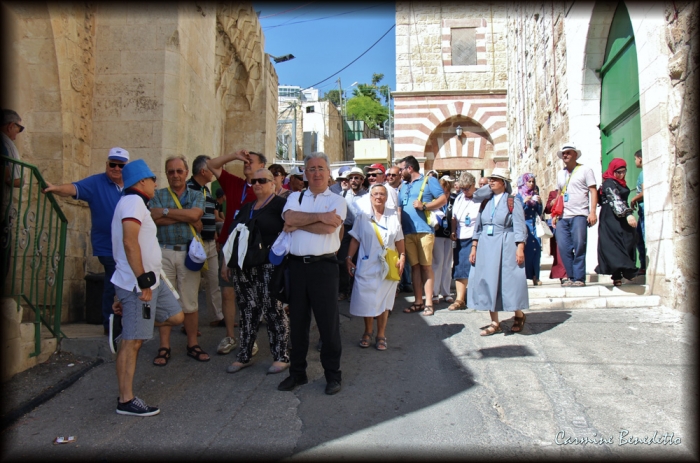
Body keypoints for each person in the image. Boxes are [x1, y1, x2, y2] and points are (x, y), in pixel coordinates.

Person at [110, 160, 184, 416]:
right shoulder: (131, 202)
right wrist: (142, 281)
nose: (156, 183)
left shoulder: (138, 203)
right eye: (153, 179)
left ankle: (127, 325)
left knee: (176, 316)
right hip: (139, 284)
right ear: (142, 181)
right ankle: (126, 400)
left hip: (152, 280)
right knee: (134, 342)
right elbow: (130, 243)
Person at [277, 152, 346, 395]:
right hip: (296, 267)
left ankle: (333, 375)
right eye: (311, 168)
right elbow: (289, 217)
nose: (316, 172)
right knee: (297, 324)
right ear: (305, 174)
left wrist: (298, 223)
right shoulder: (294, 197)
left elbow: (330, 229)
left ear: (329, 173)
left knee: (328, 325)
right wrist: (318, 217)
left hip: (324, 268)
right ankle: (297, 374)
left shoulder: (338, 201)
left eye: (320, 168)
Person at [42, 147, 129, 334]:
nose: (116, 168)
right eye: (112, 164)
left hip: (129, 245)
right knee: (114, 281)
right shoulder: (96, 182)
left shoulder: (132, 185)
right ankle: (111, 325)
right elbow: (74, 188)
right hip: (108, 246)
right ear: (107, 164)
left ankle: (125, 322)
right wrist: (56, 188)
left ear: (126, 167)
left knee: (122, 283)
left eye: (120, 165)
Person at [221, 168, 290, 374]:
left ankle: (281, 355)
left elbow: (290, 231)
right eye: (254, 181)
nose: (257, 184)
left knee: (273, 310)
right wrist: (226, 263)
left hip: (269, 265)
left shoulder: (281, 205)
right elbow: (233, 235)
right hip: (244, 267)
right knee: (248, 311)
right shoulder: (247, 207)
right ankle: (245, 354)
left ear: (273, 184)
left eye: (262, 180)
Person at [149, 156, 208, 364]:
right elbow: (153, 217)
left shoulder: (196, 195)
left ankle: (192, 343)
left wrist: (165, 213)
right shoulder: (157, 195)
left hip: (188, 253)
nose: (175, 175)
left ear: (186, 173)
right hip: (163, 252)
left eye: (179, 171)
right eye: (171, 171)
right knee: (165, 302)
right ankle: (164, 346)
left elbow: (195, 215)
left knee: (189, 301)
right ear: (166, 174)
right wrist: (186, 215)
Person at [206, 149, 263, 355]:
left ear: (262, 167)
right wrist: (234, 156)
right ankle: (230, 336)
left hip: (251, 250)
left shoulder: (264, 189)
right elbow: (211, 164)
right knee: (228, 293)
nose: (246, 164)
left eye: (251, 161)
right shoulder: (235, 184)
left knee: (249, 296)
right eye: (245, 161)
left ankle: (250, 337)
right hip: (229, 247)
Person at [468, 168, 529, 335]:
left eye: (495, 179)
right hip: (486, 244)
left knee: (509, 280)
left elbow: (519, 225)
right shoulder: (486, 201)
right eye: (491, 179)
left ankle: (518, 313)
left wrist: (520, 247)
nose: (491, 181)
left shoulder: (512, 200)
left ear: (503, 182)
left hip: (506, 242)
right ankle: (494, 322)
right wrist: (474, 247)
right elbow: (478, 226)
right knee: (487, 280)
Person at [345, 184, 405, 351]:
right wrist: (349, 258)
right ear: (370, 197)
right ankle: (367, 331)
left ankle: (381, 334)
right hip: (367, 263)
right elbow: (355, 239)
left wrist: (403, 256)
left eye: (382, 194)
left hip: (388, 265)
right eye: (375, 194)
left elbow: (399, 238)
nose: (378, 197)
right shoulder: (363, 216)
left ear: (387, 197)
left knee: (384, 300)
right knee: (367, 299)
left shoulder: (393, 215)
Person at [397, 156, 447, 316]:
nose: (400, 172)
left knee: (426, 267)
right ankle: (418, 301)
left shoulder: (429, 181)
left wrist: (425, 205)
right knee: (415, 267)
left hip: (425, 230)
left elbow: (443, 199)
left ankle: (429, 303)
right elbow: (399, 208)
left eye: (401, 169)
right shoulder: (403, 186)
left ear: (409, 168)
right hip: (407, 231)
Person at [553, 143, 598, 287]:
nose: (565, 156)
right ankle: (570, 276)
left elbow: (593, 190)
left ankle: (579, 277)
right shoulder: (561, 173)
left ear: (575, 155)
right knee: (563, 247)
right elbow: (560, 194)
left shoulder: (585, 170)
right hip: (563, 216)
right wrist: (555, 214)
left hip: (579, 214)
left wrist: (592, 212)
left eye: (568, 153)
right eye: (563, 154)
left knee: (579, 245)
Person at [186, 155, 224, 328]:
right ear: (203, 171)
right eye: (211, 168)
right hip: (194, 244)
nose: (214, 172)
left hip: (209, 243)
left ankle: (217, 316)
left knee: (214, 281)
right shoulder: (187, 189)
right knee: (190, 285)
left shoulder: (205, 190)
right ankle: (188, 324)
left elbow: (209, 216)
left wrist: (215, 237)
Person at [595, 158, 638, 285]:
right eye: (618, 172)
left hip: (621, 218)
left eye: (623, 172)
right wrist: (628, 214)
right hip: (610, 218)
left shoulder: (621, 183)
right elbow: (615, 199)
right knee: (614, 245)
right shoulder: (609, 182)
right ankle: (617, 276)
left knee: (627, 240)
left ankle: (626, 271)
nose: (621, 175)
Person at [448, 172, 481, 311]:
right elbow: (454, 217)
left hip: (476, 236)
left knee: (476, 267)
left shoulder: (481, 198)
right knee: (460, 266)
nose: (465, 191)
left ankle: (479, 298)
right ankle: (460, 299)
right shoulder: (459, 198)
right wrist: (453, 231)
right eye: (462, 188)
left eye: (467, 188)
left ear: (474, 185)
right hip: (462, 236)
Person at [337, 166, 367, 301]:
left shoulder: (367, 196)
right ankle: (344, 290)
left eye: (357, 178)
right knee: (344, 260)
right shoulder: (342, 195)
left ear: (362, 180)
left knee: (359, 261)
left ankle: (356, 290)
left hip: (361, 230)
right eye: (351, 178)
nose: (354, 180)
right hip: (346, 230)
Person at [515, 173, 544, 286]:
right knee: (525, 251)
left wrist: (539, 203)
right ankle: (523, 277)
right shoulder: (518, 195)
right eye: (529, 181)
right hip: (524, 226)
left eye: (533, 181)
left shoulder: (535, 194)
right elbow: (518, 212)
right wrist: (524, 202)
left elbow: (539, 212)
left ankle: (535, 276)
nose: (531, 184)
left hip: (534, 226)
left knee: (536, 251)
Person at [431, 176, 456, 303]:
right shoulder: (434, 201)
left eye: (446, 192)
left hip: (450, 234)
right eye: (442, 192)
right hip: (437, 234)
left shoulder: (453, 200)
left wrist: (454, 231)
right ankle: (434, 293)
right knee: (437, 263)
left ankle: (446, 292)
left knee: (447, 263)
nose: (445, 195)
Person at [544, 190, 568, 282]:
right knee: (559, 249)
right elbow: (547, 209)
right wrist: (552, 203)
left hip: (572, 221)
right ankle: (563, 274)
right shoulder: (554, 193)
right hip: (558, 224)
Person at [630, 150, 646, 274]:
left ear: (640, 158)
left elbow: (644, 191)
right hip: (642, 211)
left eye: (635, 159)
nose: (635, 161)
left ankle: (644, 266)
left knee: (641, 238)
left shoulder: (642, 173)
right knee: (639, 238)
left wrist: (634, 198)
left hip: (644, 210)